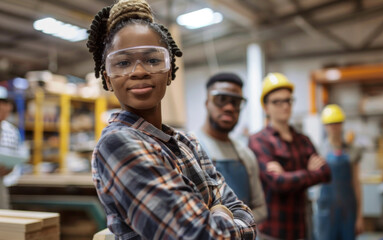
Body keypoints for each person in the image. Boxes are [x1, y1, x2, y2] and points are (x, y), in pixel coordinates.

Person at [87, 0, 256, 239]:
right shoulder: (117, 144)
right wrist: (220, 212)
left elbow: (245, 214)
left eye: (153, 60)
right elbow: (199, 236)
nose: (139, 71)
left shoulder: (188, 142)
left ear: (169, 71)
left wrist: (219, 220)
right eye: (123, 63)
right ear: (107, 79)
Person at [248, 73, 331, 240]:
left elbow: (326, 172)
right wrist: (308, 172)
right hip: (272, 231)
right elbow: (278, 183)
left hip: (301, 228)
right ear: (266, 107)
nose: (284, 106)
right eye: (277, 102)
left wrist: (286, 175)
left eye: (288, 100)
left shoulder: (303, 140)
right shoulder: (259, 141)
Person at [195, 72, 267, 224]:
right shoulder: (190, 150)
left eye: (236, 102)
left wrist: (233, 227)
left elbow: (261, 209)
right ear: (207, 102)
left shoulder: (246, 156)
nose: (229, 107)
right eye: (221, 99)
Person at [316, 104, 363, 240]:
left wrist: (359, 216)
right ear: (325, 126)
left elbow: (356, 183)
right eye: (330, 124)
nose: (334, 127)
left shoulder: (352, 151)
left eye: (337, 123)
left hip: (348, 211)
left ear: (342, 125)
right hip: (326, 212)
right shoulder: (319, 152)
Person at [0, 86, 28, 209]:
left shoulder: (11, 131)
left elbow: (16, 157)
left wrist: (9, 169)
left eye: (5, 103)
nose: (3, 107)